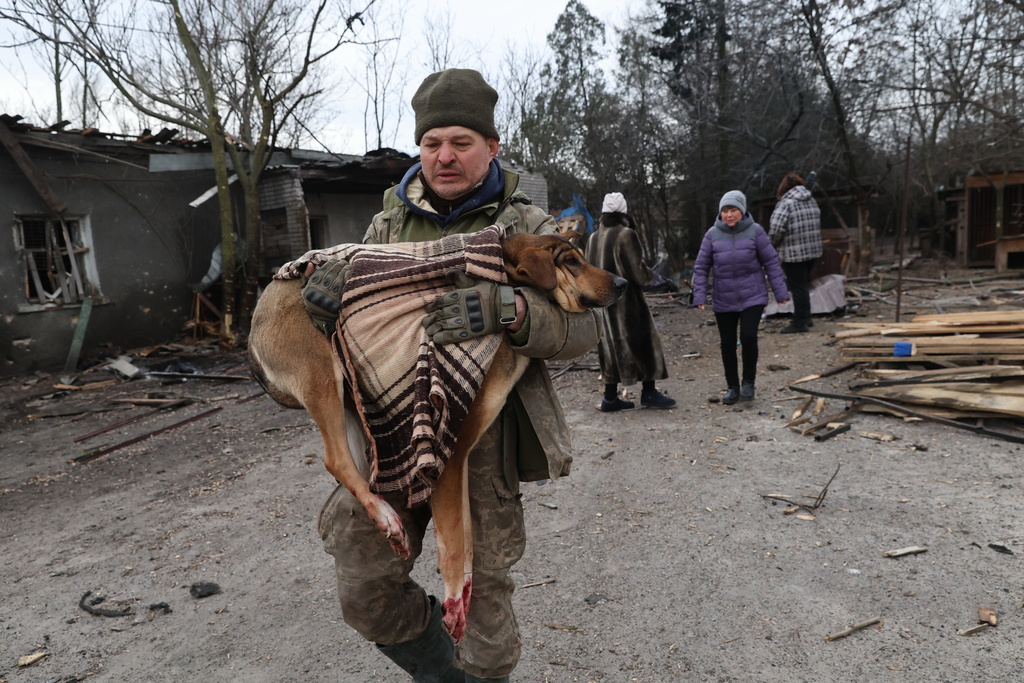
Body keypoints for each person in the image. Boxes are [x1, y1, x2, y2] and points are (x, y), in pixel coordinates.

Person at [303, 68, 603, 683]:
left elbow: (585, 330)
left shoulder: (528, 225)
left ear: (492, 147)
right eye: (432, 142)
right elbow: (351, 331)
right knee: (364, 588)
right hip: (392, 434)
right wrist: (327, 298)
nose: (444, 156)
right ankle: (442, 672)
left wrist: (513, 311)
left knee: (485, 612)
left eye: (461, 142)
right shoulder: (386, 227)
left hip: (483, 445)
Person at [691, 190, 789, 405]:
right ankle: (732, 387)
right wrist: (699, 295)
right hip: (723, 297)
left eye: (733, 210)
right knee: (727, 343)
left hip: (752, 296)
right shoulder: (712, 234)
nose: (729, 215)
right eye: (725, 210)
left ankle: (748, 383)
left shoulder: (755, 231)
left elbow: (771, 262)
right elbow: (701, 267)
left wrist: (781, 292)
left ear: (742, 211)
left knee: (748, 337)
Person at [585, 192, 675, 412]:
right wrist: (660, 281)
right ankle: (649, 392)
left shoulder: (593, 237)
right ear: (623, 212)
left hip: (601, 304)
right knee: (642, 340)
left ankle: (610, 397)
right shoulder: (626, 234)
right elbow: (638, 273)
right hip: (626, 303)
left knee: (609, 347)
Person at [768, 172, 823, 334]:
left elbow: (776, 229)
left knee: (797, 288)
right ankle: (806, 317)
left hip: (794, 254)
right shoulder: (811, 200)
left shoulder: (786, 204)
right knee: (804, 285)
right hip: (812, 251)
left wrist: (771, 245)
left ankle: (799, 323)